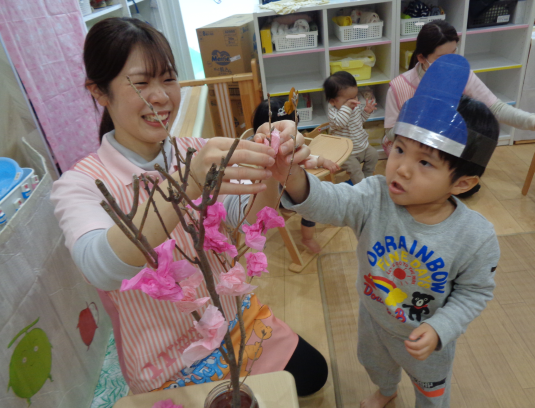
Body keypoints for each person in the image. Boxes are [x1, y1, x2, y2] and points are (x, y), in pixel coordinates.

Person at [50, 17, 327, 397]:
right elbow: (102, 269)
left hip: (234, 322)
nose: (161, 97)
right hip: (164, 359)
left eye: (168, 78)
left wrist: (275, 173)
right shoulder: (78, 186)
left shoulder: (196, 150)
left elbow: (246, 221)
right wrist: (186, 183)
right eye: (141, 82)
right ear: (99, 92)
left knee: (314, 375)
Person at [262, 55, 500, 408]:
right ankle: (387, 391)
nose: (401, 168)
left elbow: (474, 293)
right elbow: (330, 202)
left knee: (432, 391)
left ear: (462, 182)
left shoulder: (475, 236)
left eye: (424, 163)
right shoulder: (374, 195)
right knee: (375, 365)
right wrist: (293, 177)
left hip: (427, 339)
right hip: (374, 318)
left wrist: (441, 329)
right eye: (400, 149)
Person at [382, 20, 535, 196]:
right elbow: (390, 133)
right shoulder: (400, 86)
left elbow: (496, 108)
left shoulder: (463, 76)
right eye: (441, 58)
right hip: (409, 151)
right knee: (422, 186)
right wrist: (416, 122)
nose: (450, 63)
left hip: (442, 147)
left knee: (454, 184)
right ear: (422, 58)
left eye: (454, 54)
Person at [251, 97, 340, 253]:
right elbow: (308, 160)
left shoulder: (282, 148)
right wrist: (322, 161)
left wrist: (322, 160)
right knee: (310, 208)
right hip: (279, 199)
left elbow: (307, 158)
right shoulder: (258, 149)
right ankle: (307, 238)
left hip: (275, 197)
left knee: (311, 197)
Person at [324, 71, 379, 185]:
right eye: (347, 100)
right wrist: (347, 108)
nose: (354, 101)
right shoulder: (333, 112)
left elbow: (359, 120)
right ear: (332, 101)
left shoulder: (352, 106)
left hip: (361, 146)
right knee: (355, 169)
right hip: (345, 152)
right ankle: (362, 188)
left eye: (355, 96)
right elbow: (340, 123)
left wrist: (366, 112)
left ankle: (367, 180)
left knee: (374, 155)